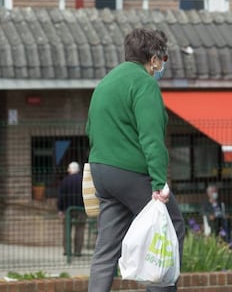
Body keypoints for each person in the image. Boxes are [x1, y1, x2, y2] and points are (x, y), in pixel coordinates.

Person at [86, 28, 185, 292]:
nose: (162, 65)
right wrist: (158, 183)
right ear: (153, 58)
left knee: (106, 248)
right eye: (163, 59)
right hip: (131, 172)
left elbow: (90, 129)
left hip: (102, 172)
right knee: (169, 226)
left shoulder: (107, 82)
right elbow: (151, 137)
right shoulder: (144, 84)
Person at [57, 161, 86, 257]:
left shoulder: (65, 181)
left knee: (67, 230)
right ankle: (78, 251)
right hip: (81, 209)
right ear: (78, 170)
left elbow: (61, 196)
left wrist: (60, 209)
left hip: (68, 209)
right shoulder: (83, 180)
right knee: (80, 229)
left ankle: (67, 250)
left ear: (69, 169)